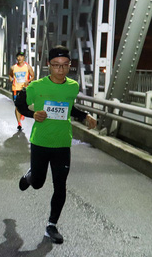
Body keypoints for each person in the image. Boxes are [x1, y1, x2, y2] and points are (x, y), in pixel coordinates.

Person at [14, 45, 97, 244]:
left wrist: (85, 115)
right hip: (40, 142)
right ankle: (30, 176)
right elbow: (19, 103)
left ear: (69, 66)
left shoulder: (72, 86)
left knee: (60, 185)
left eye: (65, 65)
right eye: (56, 65)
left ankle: (51, 225)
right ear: (48, 65)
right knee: (39, 183)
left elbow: (69, 108)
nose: (60, 69)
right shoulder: (36, 86)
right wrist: (32, 114)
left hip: (62, 143)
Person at [9, 51, 34, 131]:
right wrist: (10, 79)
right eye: (18, 56)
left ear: (24, 58)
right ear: (16, 58)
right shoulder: (13, 67)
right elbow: (10, 75)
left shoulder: (28, 67)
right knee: (17, 106)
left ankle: (22, 112)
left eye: (21, 56)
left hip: (25, 89)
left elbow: (33, 76)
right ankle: (19, 123)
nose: (19, 58)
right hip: (15, 89)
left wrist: (28, 81)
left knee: (24, 105)